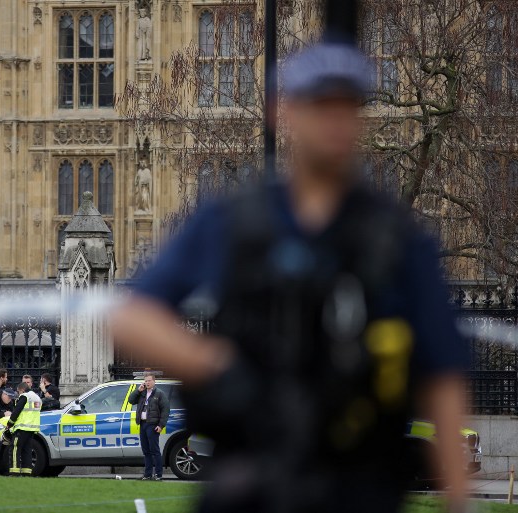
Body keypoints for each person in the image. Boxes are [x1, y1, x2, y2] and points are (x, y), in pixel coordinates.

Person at [112, 39, 468, 513]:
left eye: (348, 107)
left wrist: (460, 500)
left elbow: (442, 376)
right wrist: (215, 366)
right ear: (286, 114)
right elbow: (133, 317)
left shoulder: (397, 237)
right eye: (322, 106)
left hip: (359, 483)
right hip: (253, 479)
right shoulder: (235, 221)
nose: (337, 122)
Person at [127, 373, 170, 481]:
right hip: (143, 424)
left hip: (153, 425)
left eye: (149, 381)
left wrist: (161, 425)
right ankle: (148, 474)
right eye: (145, 381)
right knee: (146, 450)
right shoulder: (142, 393)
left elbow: (165, 410)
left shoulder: (159, 394)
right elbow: (131, 401)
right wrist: (138, 390)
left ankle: (159, 475)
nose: (147, 383)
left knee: (154, 450)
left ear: (154, 381)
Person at [6, 382, 42, 476]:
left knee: (15, 449)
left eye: (18, 391)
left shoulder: (25, 396)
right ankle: (27, 473)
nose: (18, 393)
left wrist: (9, 423)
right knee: (27, 451)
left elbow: (17, 411)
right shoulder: (37, 397)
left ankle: (14, 472)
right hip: (31, 429)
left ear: (21, 390)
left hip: (21, 428)